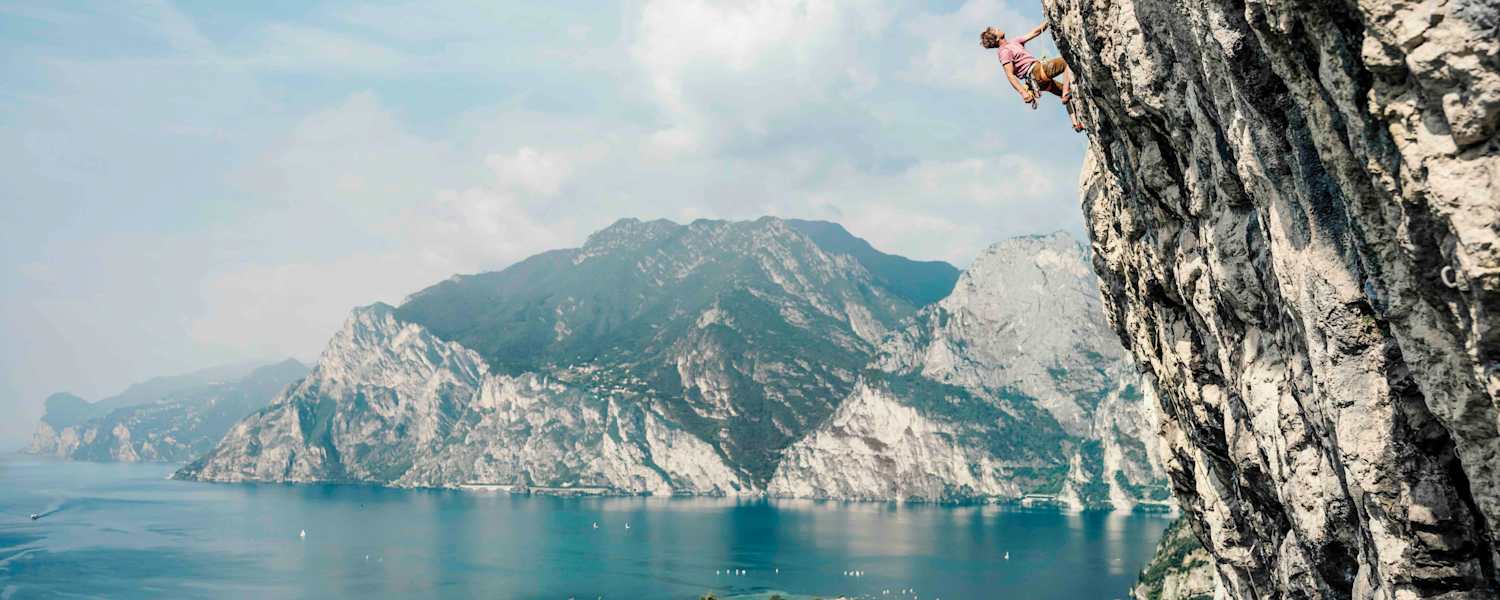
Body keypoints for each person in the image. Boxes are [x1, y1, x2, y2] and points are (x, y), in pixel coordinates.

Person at [981, 22, 1083, 131]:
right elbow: (1009, 74)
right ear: (996, 38)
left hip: (1038, 81)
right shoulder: (1004, 52)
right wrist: (1023, 93)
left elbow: (1036, 32)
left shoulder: (1014, 42)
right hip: (1036, 72)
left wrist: (1048, 21)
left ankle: (1076, 123)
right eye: (995, 30)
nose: (998, 28)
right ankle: (1066, 93)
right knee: (1066, 61)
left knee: (1069, 94)